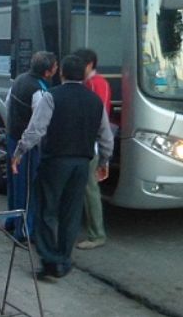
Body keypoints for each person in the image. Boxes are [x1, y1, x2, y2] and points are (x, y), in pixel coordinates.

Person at [11, 55, 113, 279]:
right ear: (84, 75)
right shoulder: (95, 100)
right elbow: (106, 136)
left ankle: (50, 262)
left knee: (47, 210)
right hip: (82, 163)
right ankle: (64, 259)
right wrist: (104, 161)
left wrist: (19, 152)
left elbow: (36, 129)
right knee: (71, 212)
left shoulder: (51, 96)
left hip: (55, 161)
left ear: (62, 74)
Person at [4, 51, 57, 241]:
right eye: (55, 66)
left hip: (12, 138)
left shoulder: (19, 80)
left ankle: (11, 221)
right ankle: (24, 230)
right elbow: (38, 123)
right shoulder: (39, 90)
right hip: (26, 145)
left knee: (14, 185)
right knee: (27, 189)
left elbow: (8, 103)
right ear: (48, 71)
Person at [72, 48, 112, 250]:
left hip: (90, 145)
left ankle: (97, 234)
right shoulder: (88, 83)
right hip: (86, 144)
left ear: (89, 65)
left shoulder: (98, 84)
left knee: (90, 190)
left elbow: (100, 117)